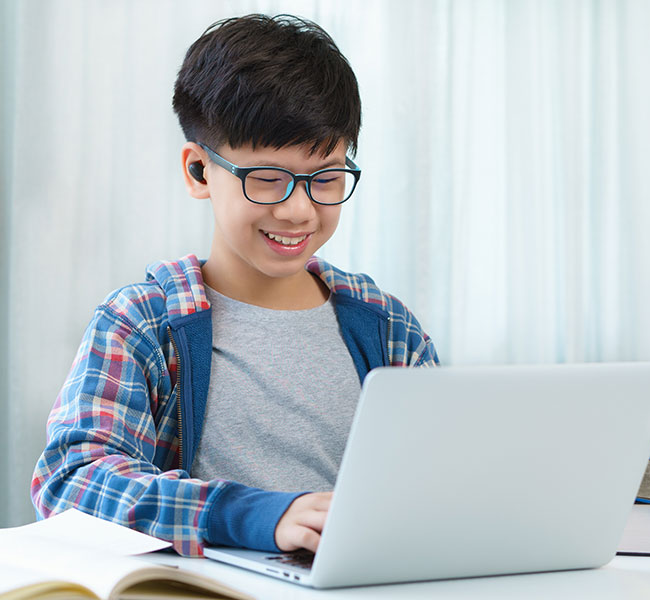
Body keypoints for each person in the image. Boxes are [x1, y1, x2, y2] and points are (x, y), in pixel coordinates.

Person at [30, 14, 438, 558]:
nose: (298, 210)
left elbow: (442, 482)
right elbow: (70, 481)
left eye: (327, 178)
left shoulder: (384, 326)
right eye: (267, 179)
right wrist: (253, 516)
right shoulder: (144, 322)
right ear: (199, 172)